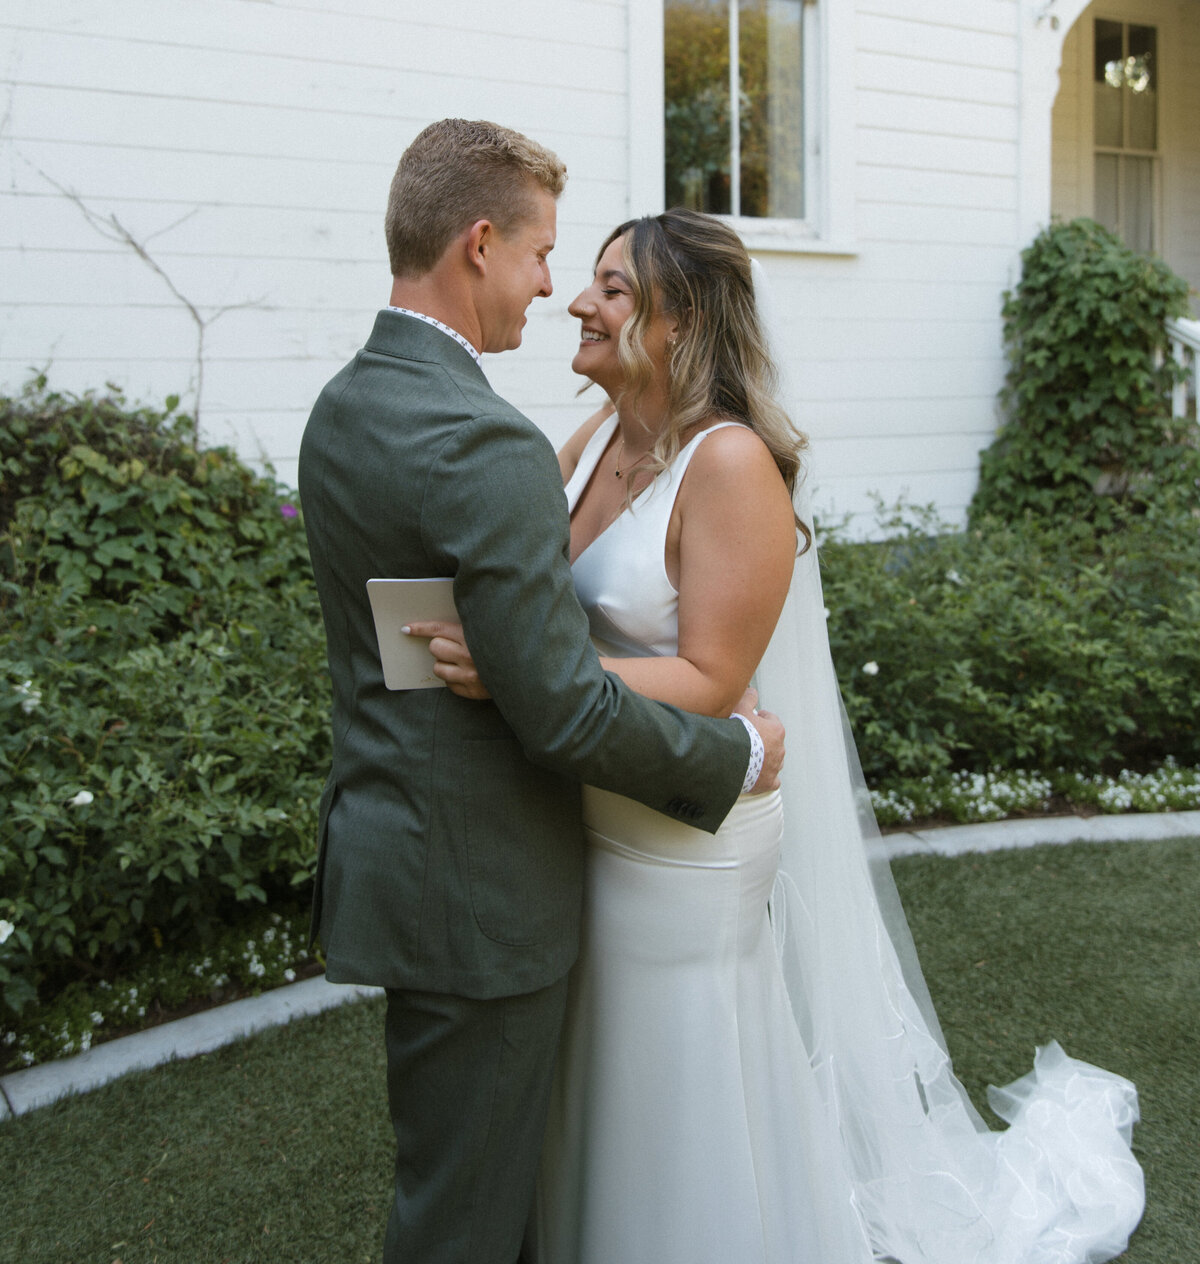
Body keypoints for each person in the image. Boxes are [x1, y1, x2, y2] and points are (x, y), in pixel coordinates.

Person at [425, 208, 1147, 1264]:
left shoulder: (727, 466)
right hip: (590, 809)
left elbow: (715, 681)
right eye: (586, 280)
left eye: (614, 289)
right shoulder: (589, 443)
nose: (580, 301)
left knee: (676, 1078)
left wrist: (524, 681)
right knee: (600, 1068)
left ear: (683, 323)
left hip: (682, 837)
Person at [296, 121, 785, 1264]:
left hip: (425, 851)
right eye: (544, 256)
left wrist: (509, 662)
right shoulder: (492, 442)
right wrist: (742, 757)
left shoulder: (344, 408)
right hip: (481, 891)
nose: (555, 288)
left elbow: (440, 643)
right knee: (466, 1219)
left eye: (602, 280)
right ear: (478, 246)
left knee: (510, 1183)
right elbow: (560, 707)